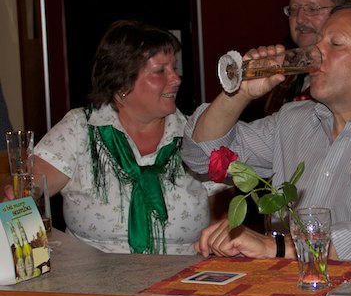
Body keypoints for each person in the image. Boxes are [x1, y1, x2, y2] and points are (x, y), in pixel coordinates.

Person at [182, 2, 351, 261]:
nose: (314, 53)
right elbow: (202, 157)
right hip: (289, 287)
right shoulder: (293, 120)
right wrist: (240, 92)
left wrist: (278, 247)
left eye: (335, 44)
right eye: (317, 43)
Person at [30, 20, 219, 255]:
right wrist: (23, 195)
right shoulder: (81, 128)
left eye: (174, 67)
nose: (176, 78)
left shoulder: (197, 135)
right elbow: (28, 188)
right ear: (122, 82)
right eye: (160, 71)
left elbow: (223, 223)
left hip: (183, 275)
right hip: (92, 276)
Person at [264, 0, 351, 113]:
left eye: (312, 9)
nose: (299, 19)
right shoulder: (285, 71)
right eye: (294, 9)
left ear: (341, 13)